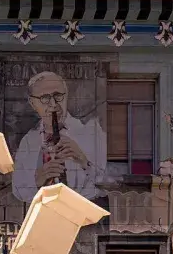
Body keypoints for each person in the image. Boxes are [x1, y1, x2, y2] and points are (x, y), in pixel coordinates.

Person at [11, 72, 106, 203]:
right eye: (44, 98)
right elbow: (18, 190)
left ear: (66, 95)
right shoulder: (29, 141)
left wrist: (83, 161)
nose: (53, 104)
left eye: (58, 96)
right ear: (32, 103)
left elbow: (110, 184)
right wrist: (38, 179)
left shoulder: (91, 132)